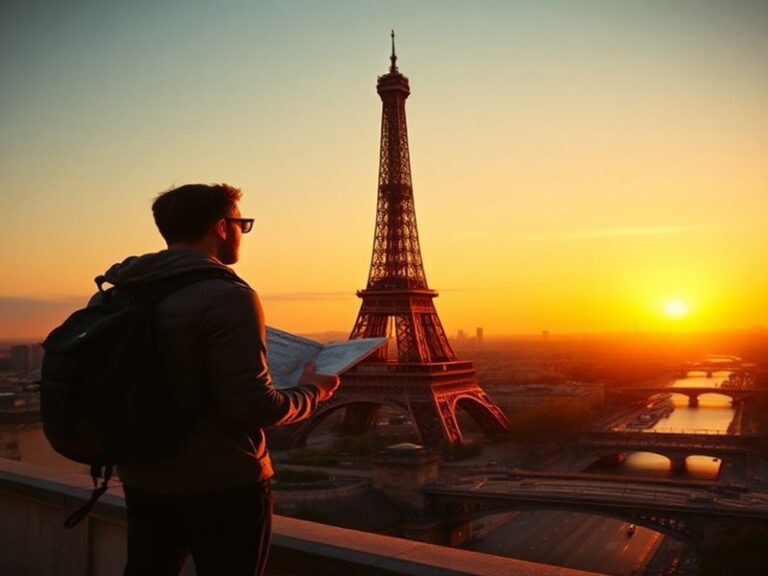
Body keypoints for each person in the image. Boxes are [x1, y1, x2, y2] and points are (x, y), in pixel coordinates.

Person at [98, 183, 339, 576]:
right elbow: (253, 406)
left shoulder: (116, 293)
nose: (243, 233)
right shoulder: (228, 296)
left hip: (144, 472)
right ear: (222, 227)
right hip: (222, 481)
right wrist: (313, 390)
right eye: (241, 223)